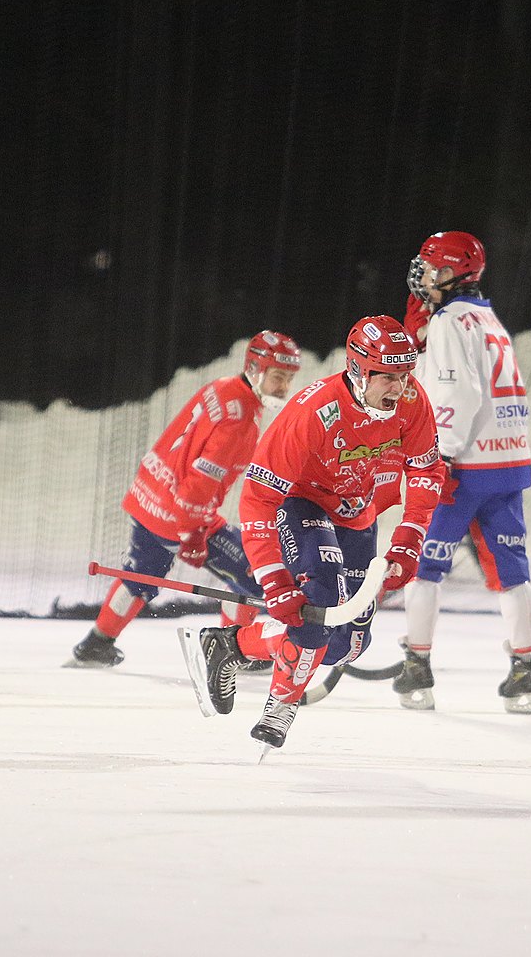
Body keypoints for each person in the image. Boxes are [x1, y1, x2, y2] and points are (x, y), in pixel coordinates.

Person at [182, 315, 446, 750]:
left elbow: (426, 469)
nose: (399, 388)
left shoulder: (412, 401)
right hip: (303, 505)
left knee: (347, 644)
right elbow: (258, 499)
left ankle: (230, 644)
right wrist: (274, 578)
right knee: (317, 608)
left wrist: (409, 539)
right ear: (360, 370)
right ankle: (278, 710)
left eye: (405, 375)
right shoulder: (311, 411)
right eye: (388, 377)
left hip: (357, 515)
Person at [68, 331, 302, 667]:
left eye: (289, 378)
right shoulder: (241, 419)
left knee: (140, 576)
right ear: (254, 368)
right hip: (180, 512)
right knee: (252, 574)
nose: (284, 387)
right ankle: (233, 653)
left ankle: (95, 645)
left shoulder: (222, 387)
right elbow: (201, 482)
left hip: (152, 495)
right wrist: (191, 532)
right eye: (278, 377)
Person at [392, 231, 531, 714]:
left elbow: (458, 394)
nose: (426, 276)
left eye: (434, 268)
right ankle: (525, 671)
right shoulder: (490, 318)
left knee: (424, 568)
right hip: (508, 462)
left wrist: (442, 456)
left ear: (454, 273)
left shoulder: (449, 321)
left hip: (464, 467)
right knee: (513, 574)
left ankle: (417, 665)